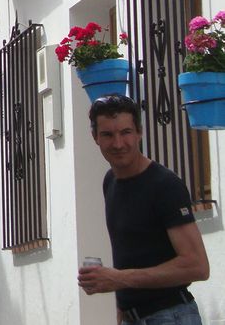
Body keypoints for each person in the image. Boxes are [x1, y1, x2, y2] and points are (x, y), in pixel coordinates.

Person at [79, 94, 209, 323]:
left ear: (139, 132)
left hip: (172, 315)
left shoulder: (164, 185)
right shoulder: (110, 181)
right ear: (95, 137)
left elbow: (197, 266)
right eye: (108, 135)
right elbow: (127, 258)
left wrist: (118, 279)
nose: (118, 144)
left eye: (125, 132)